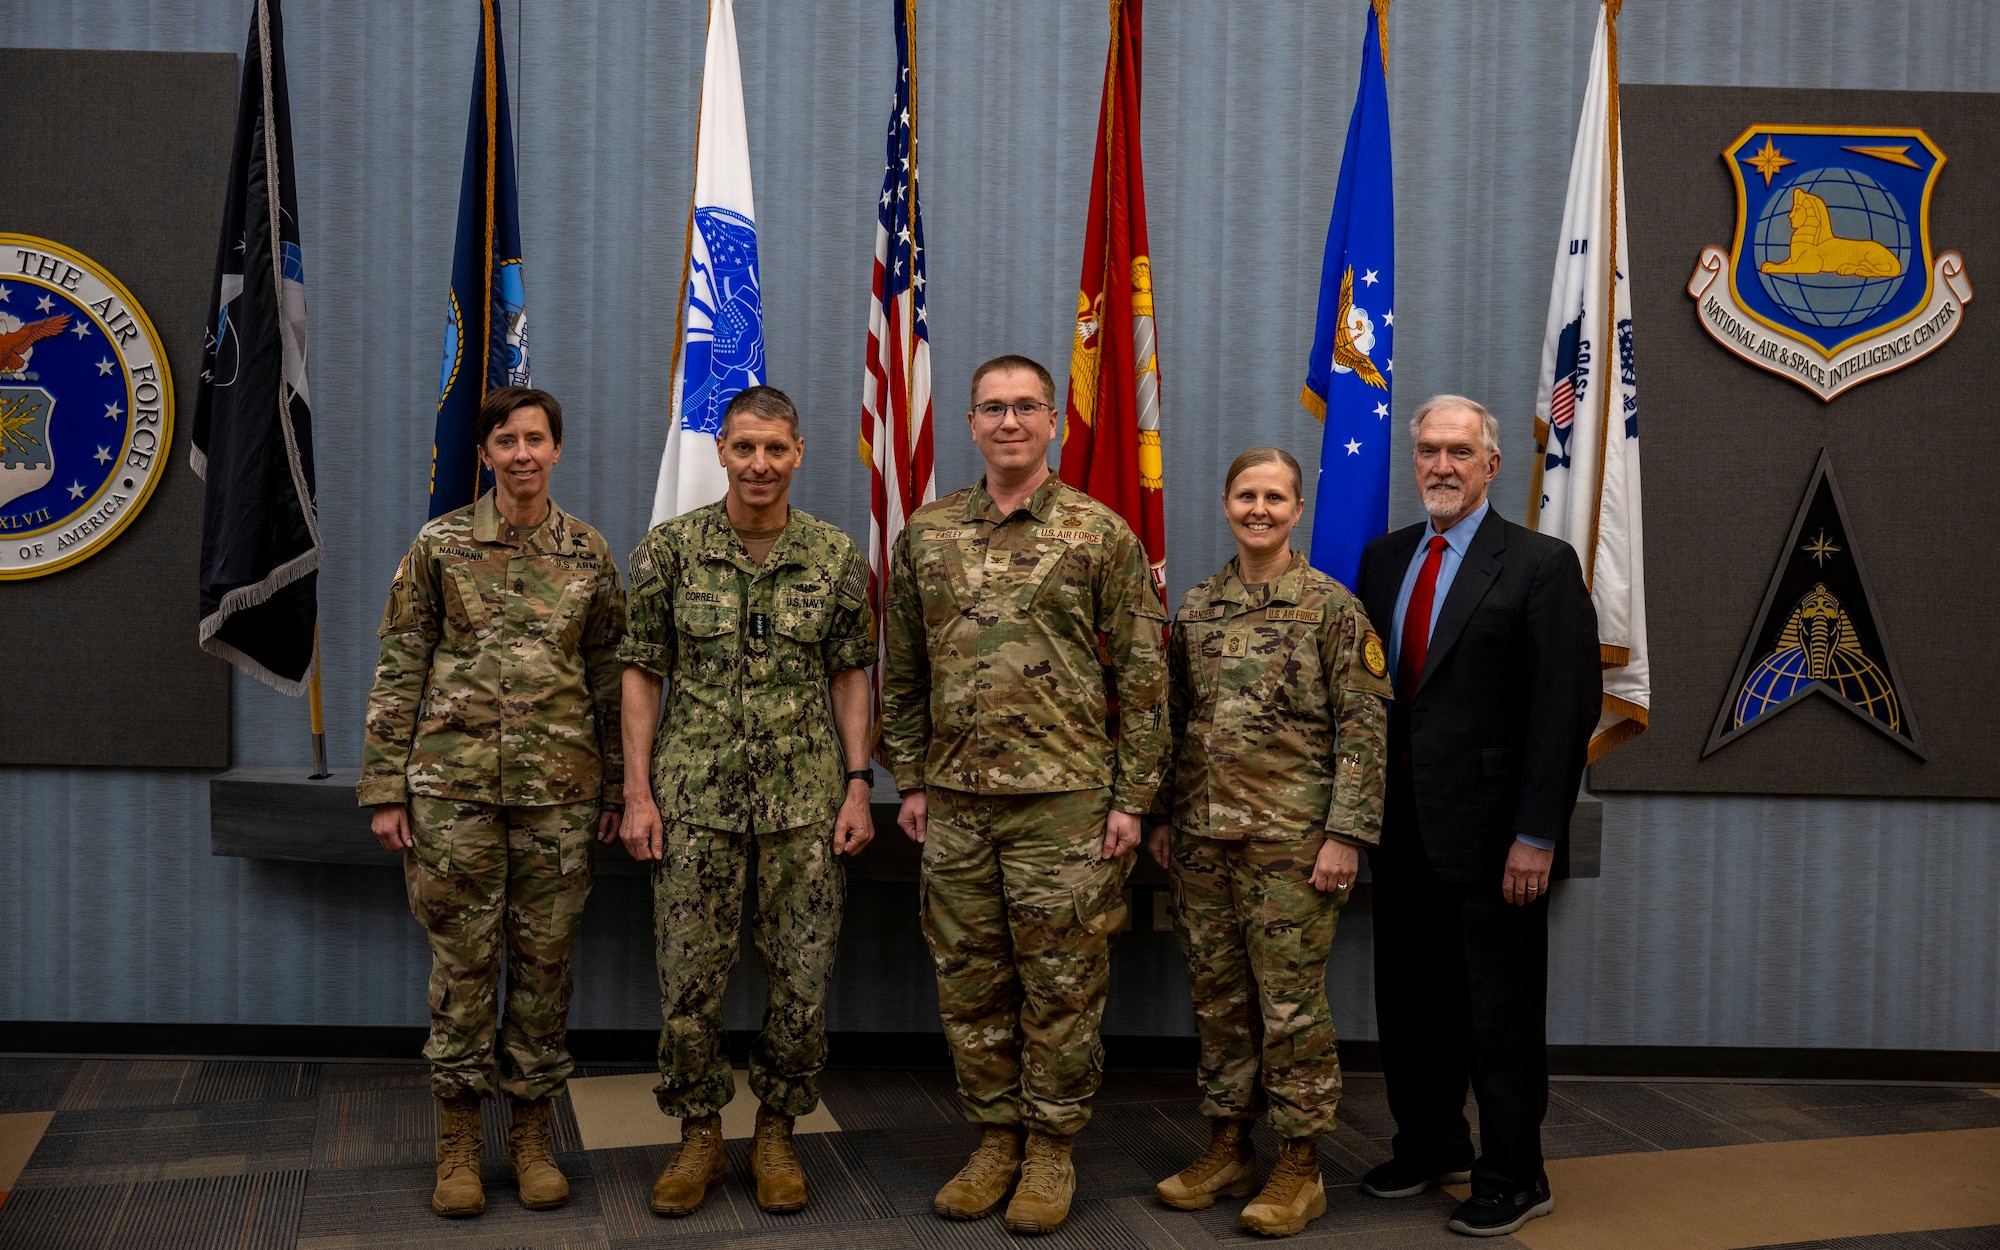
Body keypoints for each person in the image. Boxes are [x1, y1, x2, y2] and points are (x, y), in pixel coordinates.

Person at [880, 354, 1170, 1235]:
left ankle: (1051, 1148)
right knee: (969, 983)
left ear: (1054, 422)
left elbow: (1147, 677)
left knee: (1061, 984)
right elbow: (903, 670)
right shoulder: (925, 536)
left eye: (1026, 407)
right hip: (957, 804)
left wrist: (1133, 799)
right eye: (992, 408)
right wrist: (912, 779)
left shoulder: (1099, 534)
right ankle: (995, 1137)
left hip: (1068, 806)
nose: (1009, 422)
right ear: (968, 423)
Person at [359, 385, 626, 1219]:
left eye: (536, 439)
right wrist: (383, 787)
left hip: (558, 800)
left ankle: (534, 1137)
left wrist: (619, 785)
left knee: (544, 973)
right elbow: (401, 665)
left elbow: (611, 679)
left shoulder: (588, 553)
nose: (521, 453)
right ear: (485, 454)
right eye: (506, 440)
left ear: (556, 450)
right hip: (452, 795)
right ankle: (459, 1145)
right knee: (463, 970)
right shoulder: (438, 547)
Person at [618, 385, 876, 1218]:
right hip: (693, 802)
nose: (759, 464)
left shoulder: (835, 558)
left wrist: (859, 784)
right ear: (721, 452)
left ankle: (775, 1132)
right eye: (744, 448)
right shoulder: (669, 551)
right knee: (688, 982)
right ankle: (698, 1135)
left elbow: (849, 674)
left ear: (799, 454)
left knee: (802, 983)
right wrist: (637, 792)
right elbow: (641, 674)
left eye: (775, 449)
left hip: (805, 804)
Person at [1352, 394, 1599, 1238]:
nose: (1442, 466)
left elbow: (1563, 710)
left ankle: (1513, 1173)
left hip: (1497, 836)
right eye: (1429, 450)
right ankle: (1430, 1143)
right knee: (1410, 1001)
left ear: (1493, 465)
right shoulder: (1383, 560)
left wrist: (1538, 836)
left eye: (1460, 451)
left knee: (1496, 1013)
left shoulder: (1538, 564)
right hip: (1401, 826)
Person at [1145, 447, 1391, 1238]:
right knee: (1219, 1005)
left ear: (1296, 510)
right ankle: (1228, 1147)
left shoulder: (1331, 609)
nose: (1259, 509)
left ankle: (1301, 1164)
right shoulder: (1198, 607)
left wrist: (1346, 834)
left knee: (1289, 1008)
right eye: (1246, 495)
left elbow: (1364, 727)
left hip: (1294, 847)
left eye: (1275, 497)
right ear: (1225, 504)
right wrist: (1162, 819)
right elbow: (1175, 721)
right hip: (1205, 844)